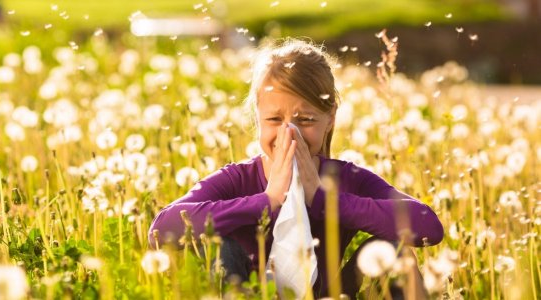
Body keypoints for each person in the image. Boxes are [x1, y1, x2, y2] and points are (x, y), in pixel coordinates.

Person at [149, 38, 444, 298]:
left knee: (397, 253)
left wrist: (323, 199)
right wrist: (267, 201)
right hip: (247, 294)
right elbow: (161, 230)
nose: (289, 134)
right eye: (274, 120)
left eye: (305, 120)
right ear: (257, 117)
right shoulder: (237, 179)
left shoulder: (344, 178)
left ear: (330, 119)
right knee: (218, 246)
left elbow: (428, 226)